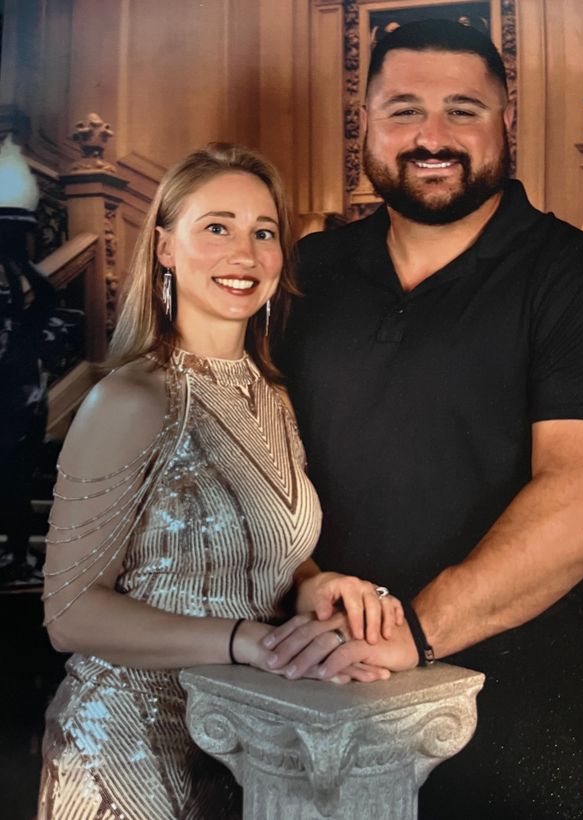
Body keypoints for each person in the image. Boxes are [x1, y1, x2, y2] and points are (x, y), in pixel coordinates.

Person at [268, 20, 583, 820]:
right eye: (404, 109)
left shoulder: (581, 281)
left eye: (463, 110)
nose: (431, 137)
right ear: (366, 124)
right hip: (307, 677)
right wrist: (304, 584)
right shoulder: (308, 273)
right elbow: (246, 454)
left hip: (510, 705)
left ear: (506, 122)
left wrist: (413, 631)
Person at [37, 143, 402, 820]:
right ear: (165, 248)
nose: (245, 251)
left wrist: (314, 583)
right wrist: (250, 641)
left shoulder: (274, 395)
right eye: (217, 227)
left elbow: (262, 553)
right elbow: (69, 614)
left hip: (240, 742)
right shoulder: (131, 397)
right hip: (123, 752)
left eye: (264, 232)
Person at [0, 216, 56, 585]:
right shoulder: (15, 332)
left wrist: (15, 258)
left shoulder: (24, 333)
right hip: (14, 413)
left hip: (21, 414)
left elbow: (45, 296)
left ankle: (18, 555)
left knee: (17, 486)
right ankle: (14, 555)